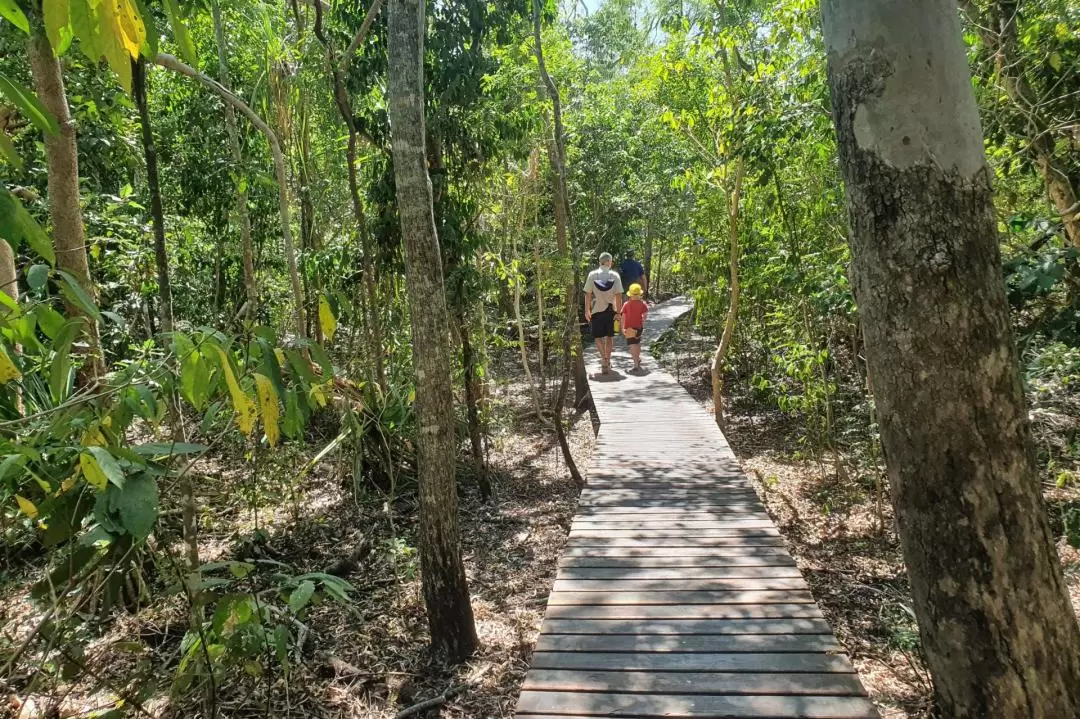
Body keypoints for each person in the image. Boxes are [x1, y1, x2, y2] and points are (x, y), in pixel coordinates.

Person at [584, 252, 623, 374]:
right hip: (611, 310)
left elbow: (588, 293)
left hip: (596, 310)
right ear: (609, 262)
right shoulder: (615, 275)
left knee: (597, 337)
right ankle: (608, 358)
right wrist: (618, 312)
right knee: (609, 336)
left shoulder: (592, 275)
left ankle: (604, 358)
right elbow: (618, 295)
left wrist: (587, 310)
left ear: (600, 262)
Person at [621, 283, 649, 371]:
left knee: (632, 345)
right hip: (639, 327)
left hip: (629, 327)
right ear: (639, 294)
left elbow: (623, 317)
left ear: (630, 294)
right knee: (637, 343)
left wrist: (622, 328)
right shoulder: (642, 304)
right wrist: (643, 322)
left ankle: (635, 363)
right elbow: (645, 315)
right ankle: (637, 358)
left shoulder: (626, 304)